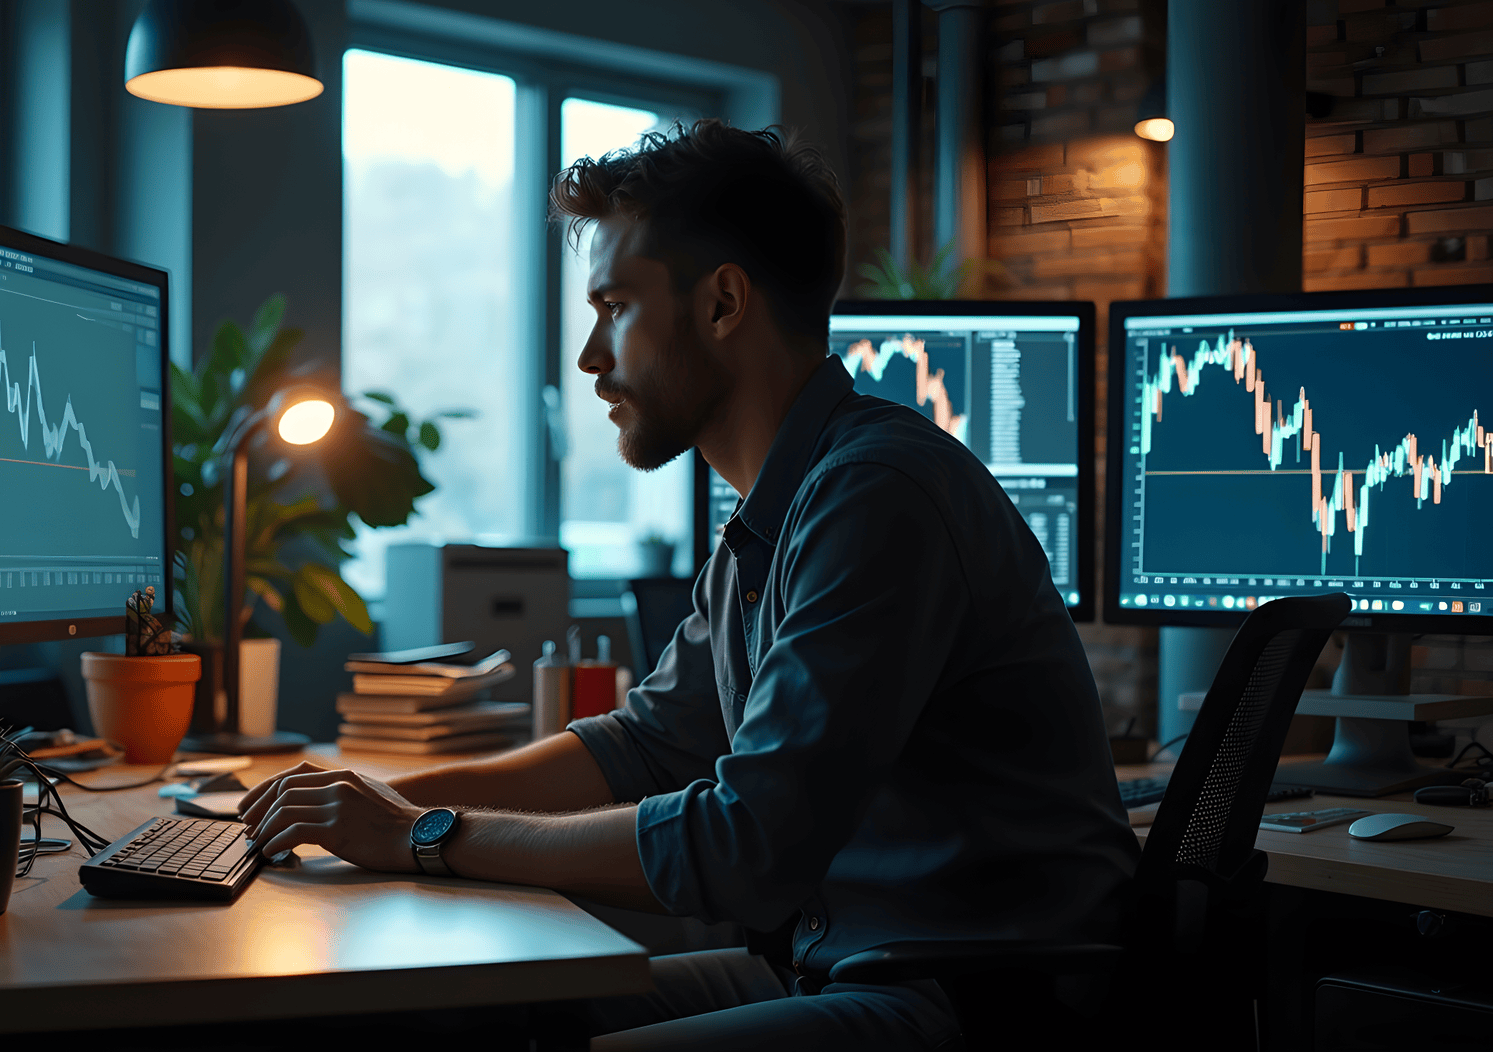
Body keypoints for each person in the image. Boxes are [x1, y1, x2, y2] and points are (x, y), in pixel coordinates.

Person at [237, 121, 1139, 1049]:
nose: (590, 356)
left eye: (615, 306)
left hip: (980, 997)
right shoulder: (772, 514)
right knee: (454, 1018)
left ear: (722, 304)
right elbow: (642, 748)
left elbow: (744, 846)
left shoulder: (877, 497)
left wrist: (424, 831)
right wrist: (365, 799)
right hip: (843, 962)